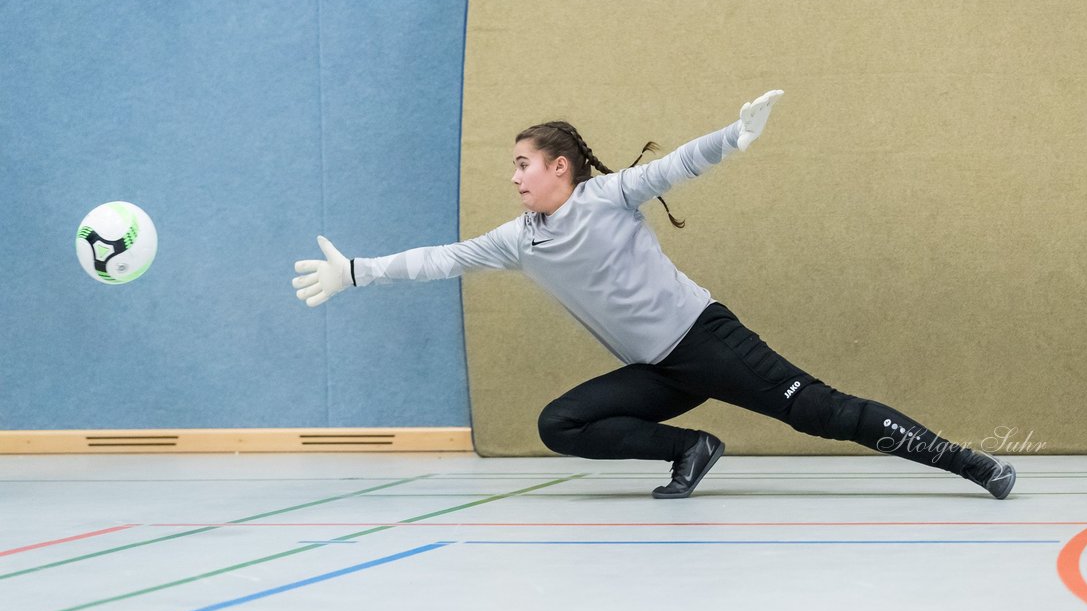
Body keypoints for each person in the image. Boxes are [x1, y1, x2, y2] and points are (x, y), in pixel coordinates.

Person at [293, 91, 1016, 500]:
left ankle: (971, 464)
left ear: (561, 168)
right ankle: (692, 448)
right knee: (560, 424)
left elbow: (671, 168)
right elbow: (441, 259)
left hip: (706, 339)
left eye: (523, 165)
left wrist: (732, 138)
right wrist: (358, 271)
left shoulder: (607, 197)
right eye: (511, 166)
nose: (513, 177)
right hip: (659, 372)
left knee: (823, 414)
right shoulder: (521, 239)